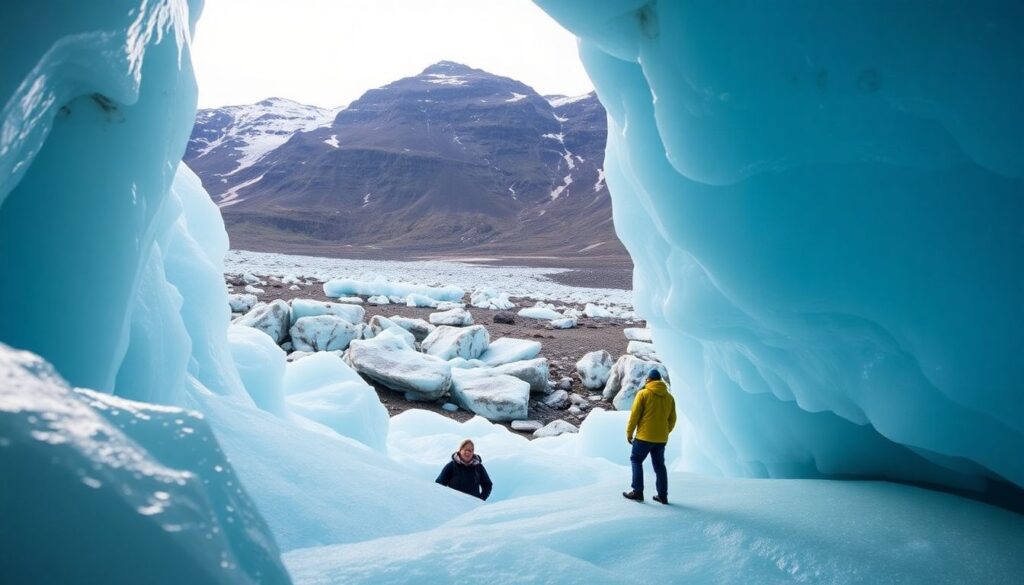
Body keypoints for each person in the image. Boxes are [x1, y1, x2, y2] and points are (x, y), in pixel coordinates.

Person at [623, 369, 676, 504]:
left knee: (636, 460)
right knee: (659, 466)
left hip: (643, 438)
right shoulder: (669, 398)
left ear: (649, 380)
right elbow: (672, 419)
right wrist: (664, 432)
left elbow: (634, 416)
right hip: (661, 439)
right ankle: (663, 496)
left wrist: (629, 433)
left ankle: (637, 491)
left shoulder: (643, 394)